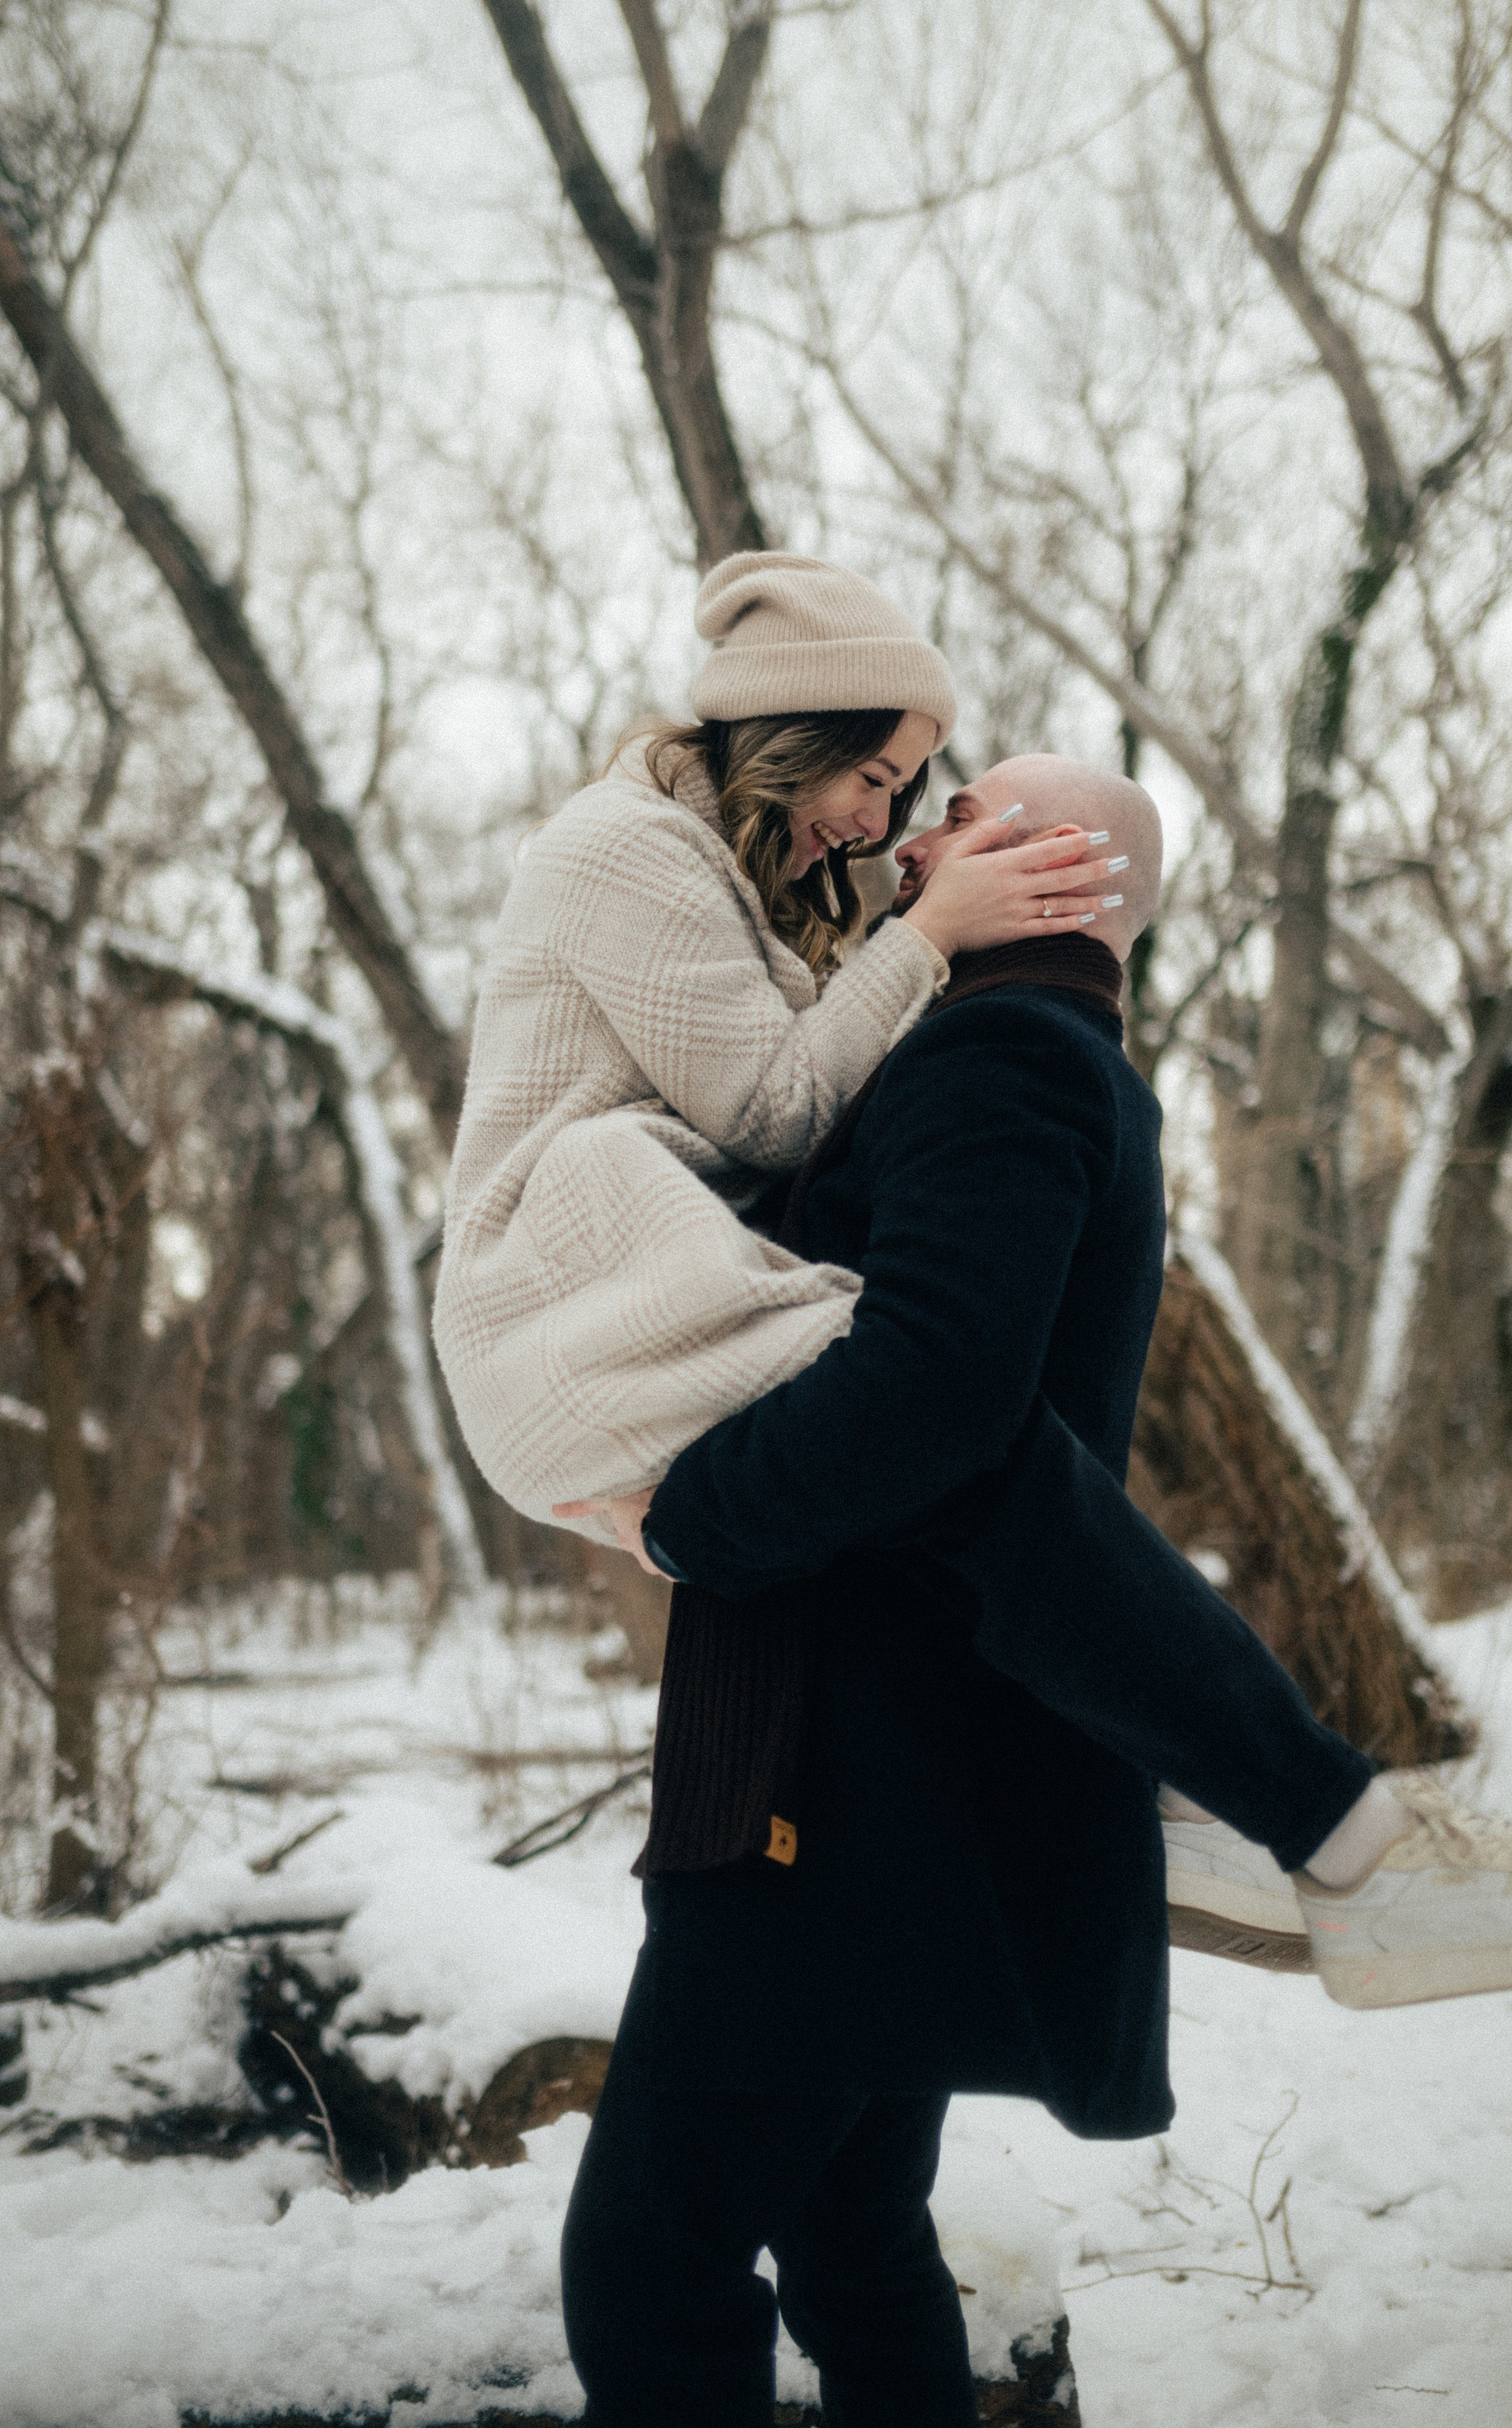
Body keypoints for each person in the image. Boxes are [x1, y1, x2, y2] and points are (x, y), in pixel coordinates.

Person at [557, 755, 1512, 2428]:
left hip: (845, 1782)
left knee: (649, 2262)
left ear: (1059, 865)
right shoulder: (1042, 1060)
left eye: (966, 811)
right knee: (849, 2230)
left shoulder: (998, 1055)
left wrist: (690, 1516)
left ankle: (1324, 1817)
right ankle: (1320, 1814)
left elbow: (936, 1398)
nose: (915, 833)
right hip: (909, 1764)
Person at [432, 553, 1118, 1543]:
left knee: (965, 1401)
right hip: (550, 1312)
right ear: (795, 732)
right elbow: (777, 1114)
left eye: (903, 793)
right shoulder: (625, 845)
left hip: (629, 1302)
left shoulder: (729, 876)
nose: (878, 828)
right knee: (943, 1381)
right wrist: (929, 934)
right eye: (873, 779)